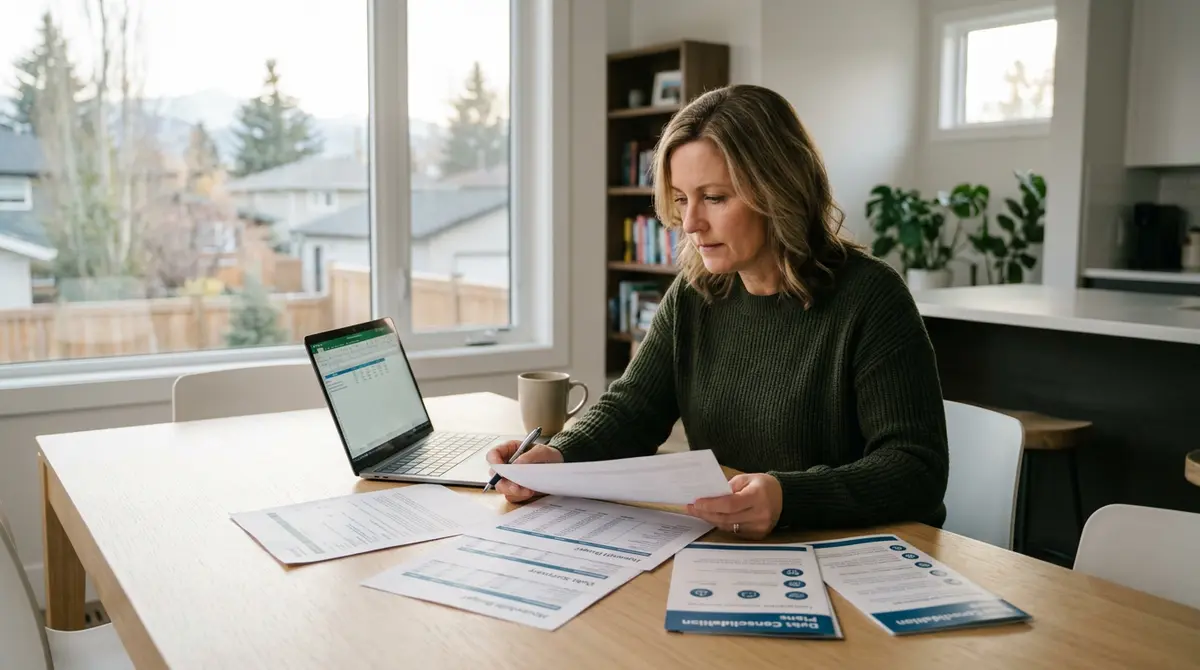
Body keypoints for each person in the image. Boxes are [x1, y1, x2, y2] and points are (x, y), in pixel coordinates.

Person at [486, 84, 949, 539]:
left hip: (857, 552)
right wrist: (557, 458)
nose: (690, 223)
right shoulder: (696, 292)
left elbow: (915, 468)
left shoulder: (871, 297)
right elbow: (632, 411)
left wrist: (789, 497)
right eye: (682, 199)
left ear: (779, 191)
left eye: (714, 197)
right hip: (740, 546)